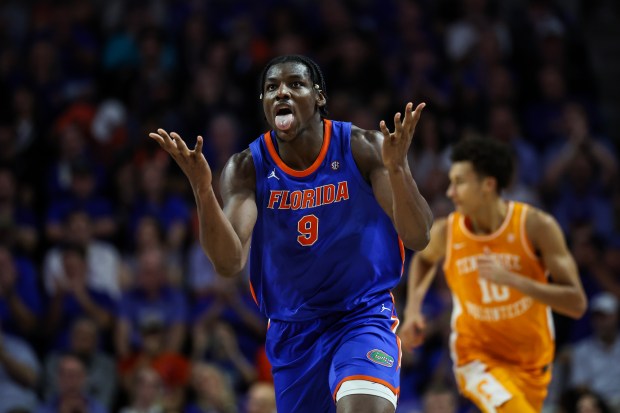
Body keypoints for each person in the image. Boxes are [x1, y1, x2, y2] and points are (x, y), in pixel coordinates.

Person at [149, 54, 433, 413]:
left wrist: (398, 170)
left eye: (294, 84)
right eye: (271, 88)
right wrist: (203, 191)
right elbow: (228, 260)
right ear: (264, 104)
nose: (281, 93)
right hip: (292, 330)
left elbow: (419, 235)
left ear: (319, 97)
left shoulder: (363, 148)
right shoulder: (246, 168)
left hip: (361, 315)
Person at [399, 136, 587, 413]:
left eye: (459, 182)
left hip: (531, 364)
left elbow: (576, 303)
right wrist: (413, 310)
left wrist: (516, 280)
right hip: (476, 358)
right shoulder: (448, 231)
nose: (450, 192)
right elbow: (424, 261)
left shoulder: (535, 226)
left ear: (487, 185)